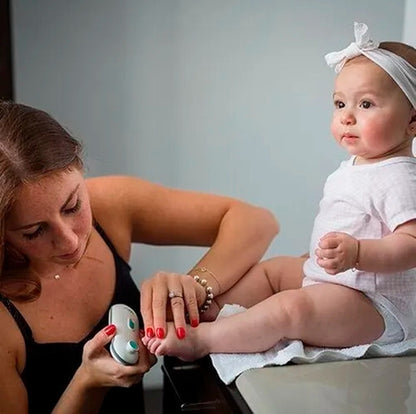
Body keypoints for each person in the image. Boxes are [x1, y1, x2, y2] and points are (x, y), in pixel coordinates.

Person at [142, 22, 416, 361]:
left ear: (412, 121)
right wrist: (316, 258)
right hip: (339, 281)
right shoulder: (357, 167)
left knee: (290, 308)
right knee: (272, 271)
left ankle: (205, 338)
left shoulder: (401, 178)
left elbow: (410, 244)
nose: (346, 117)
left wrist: (357, 253)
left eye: (366, 105)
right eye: (340, 103)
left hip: (375, 305)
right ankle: (211, 311)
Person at [0, 100, 278, 413]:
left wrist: (196, 284)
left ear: (80, 167)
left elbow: (257, 221)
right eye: (35, 231)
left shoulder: (110, 203)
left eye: (72, 206)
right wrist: (88, 382)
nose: (70, 240)